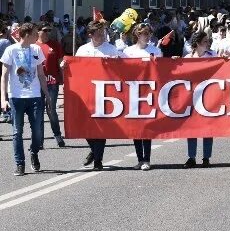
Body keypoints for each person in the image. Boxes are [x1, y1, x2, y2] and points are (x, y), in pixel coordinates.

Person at [0, 23, 47, 176]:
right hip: (16, 97)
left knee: (38, 131)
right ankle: (20, 164)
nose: (37, 36)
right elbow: (4, 76)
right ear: (27, 34)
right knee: (17, 132)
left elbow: (40, 74)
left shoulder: (37, 49)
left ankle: (34, 152)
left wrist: (47, 94)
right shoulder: (11, 50)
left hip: (34, 96)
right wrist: (3, 98)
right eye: (35, 33)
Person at [75, 21, 121, 170]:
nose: (101, 36)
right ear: (90, 35)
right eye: (98, 34)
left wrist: (116, 62)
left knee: (101, 127)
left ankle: (98, 161)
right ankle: (94, 151)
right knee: (85, 126)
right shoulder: (82, 49)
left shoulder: (111, 49)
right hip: (86, 92)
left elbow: (123, 68)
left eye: (103, 33)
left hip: (105, 93)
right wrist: (66, 66)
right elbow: (76, 69)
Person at [121, 24, 162, 170]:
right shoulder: (128, 51)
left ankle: (147, 159)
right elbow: (122, 69)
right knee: (136, 127)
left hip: (149, 92)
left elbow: (163, 69)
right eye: (144, 33)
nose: (148, 36)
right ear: (138, 35)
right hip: (133, 92)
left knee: (147, 126)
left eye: (149, 33)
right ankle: (139, 159)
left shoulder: (155, 50)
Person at [184, 31, 215, 167]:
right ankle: (191, 157)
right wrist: (174, 61)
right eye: (205, 42)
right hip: (191, 97)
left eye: (208, 41)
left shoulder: (213, 55)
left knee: (208, 128)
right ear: (197, 44)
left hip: (209, 95)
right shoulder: (188, 58)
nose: (208, 44)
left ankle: (206, 158)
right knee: (192, 128)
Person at [36, 25, 65, 148]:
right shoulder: (33, 46)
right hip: (36, 84)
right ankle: (39, 141)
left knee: (51, 110)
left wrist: (63, 78)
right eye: (45, 30)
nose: (48, 33)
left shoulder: (55, 45)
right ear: (38, 32)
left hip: (52, 82)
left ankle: (57, 136)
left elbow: (61, 63)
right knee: (38, 112)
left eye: (49, 30)